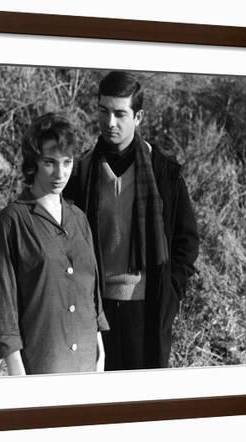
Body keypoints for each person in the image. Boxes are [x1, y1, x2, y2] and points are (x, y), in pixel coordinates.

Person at [64, 71, 199, 370]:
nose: (110, 122)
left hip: (148, 309)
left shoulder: (164, 172)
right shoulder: (80, 172)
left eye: (120, 113)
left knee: (143, 405)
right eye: (103, 111)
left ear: (138, 117)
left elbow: (186, 242)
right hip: (93, 310)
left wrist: (172, 293)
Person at [0, 112, 109, 375]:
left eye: (67, 162)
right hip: (42, 360)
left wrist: (100, 349)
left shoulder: (79, 219)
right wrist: (18, 372)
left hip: (88, 359)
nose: (60, 173)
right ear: (33, 163)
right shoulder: (9, 223)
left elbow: (91, 292)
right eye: (49, 162)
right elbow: (2, 307)